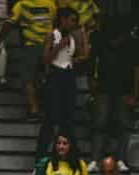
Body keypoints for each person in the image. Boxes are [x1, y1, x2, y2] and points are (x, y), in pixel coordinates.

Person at [0, 0, 56, 120]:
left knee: (28, 78)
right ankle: (46, 106)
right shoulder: (50, 4)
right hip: (49, 46)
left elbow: (8, 23)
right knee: (43, 76)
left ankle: (34, 109)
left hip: (30, 46)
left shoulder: (22, 5)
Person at [38, 7, 84, 154]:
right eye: (72, 20)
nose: (73, 24)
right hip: (55, 76)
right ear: (63, 19)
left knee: (67, 119)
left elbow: (82, 55)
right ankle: (41, 155)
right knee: (50, 119)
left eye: (75, 21)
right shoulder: (52, 35)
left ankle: (65, 155)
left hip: (68, 76)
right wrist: (59, 46)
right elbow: (45, 59)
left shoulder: (73, 37)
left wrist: (83, 37)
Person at [89, 23, 136, 167]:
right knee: (99, 124)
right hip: (103, 90)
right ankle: (95, 159)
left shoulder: (130, 47)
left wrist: (134, 94)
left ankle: (121, 159)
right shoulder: (100, 45)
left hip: (123, 90)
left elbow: (136, 71)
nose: (114, 41)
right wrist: (92, 88)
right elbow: (92, 67)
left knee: (123, 125)